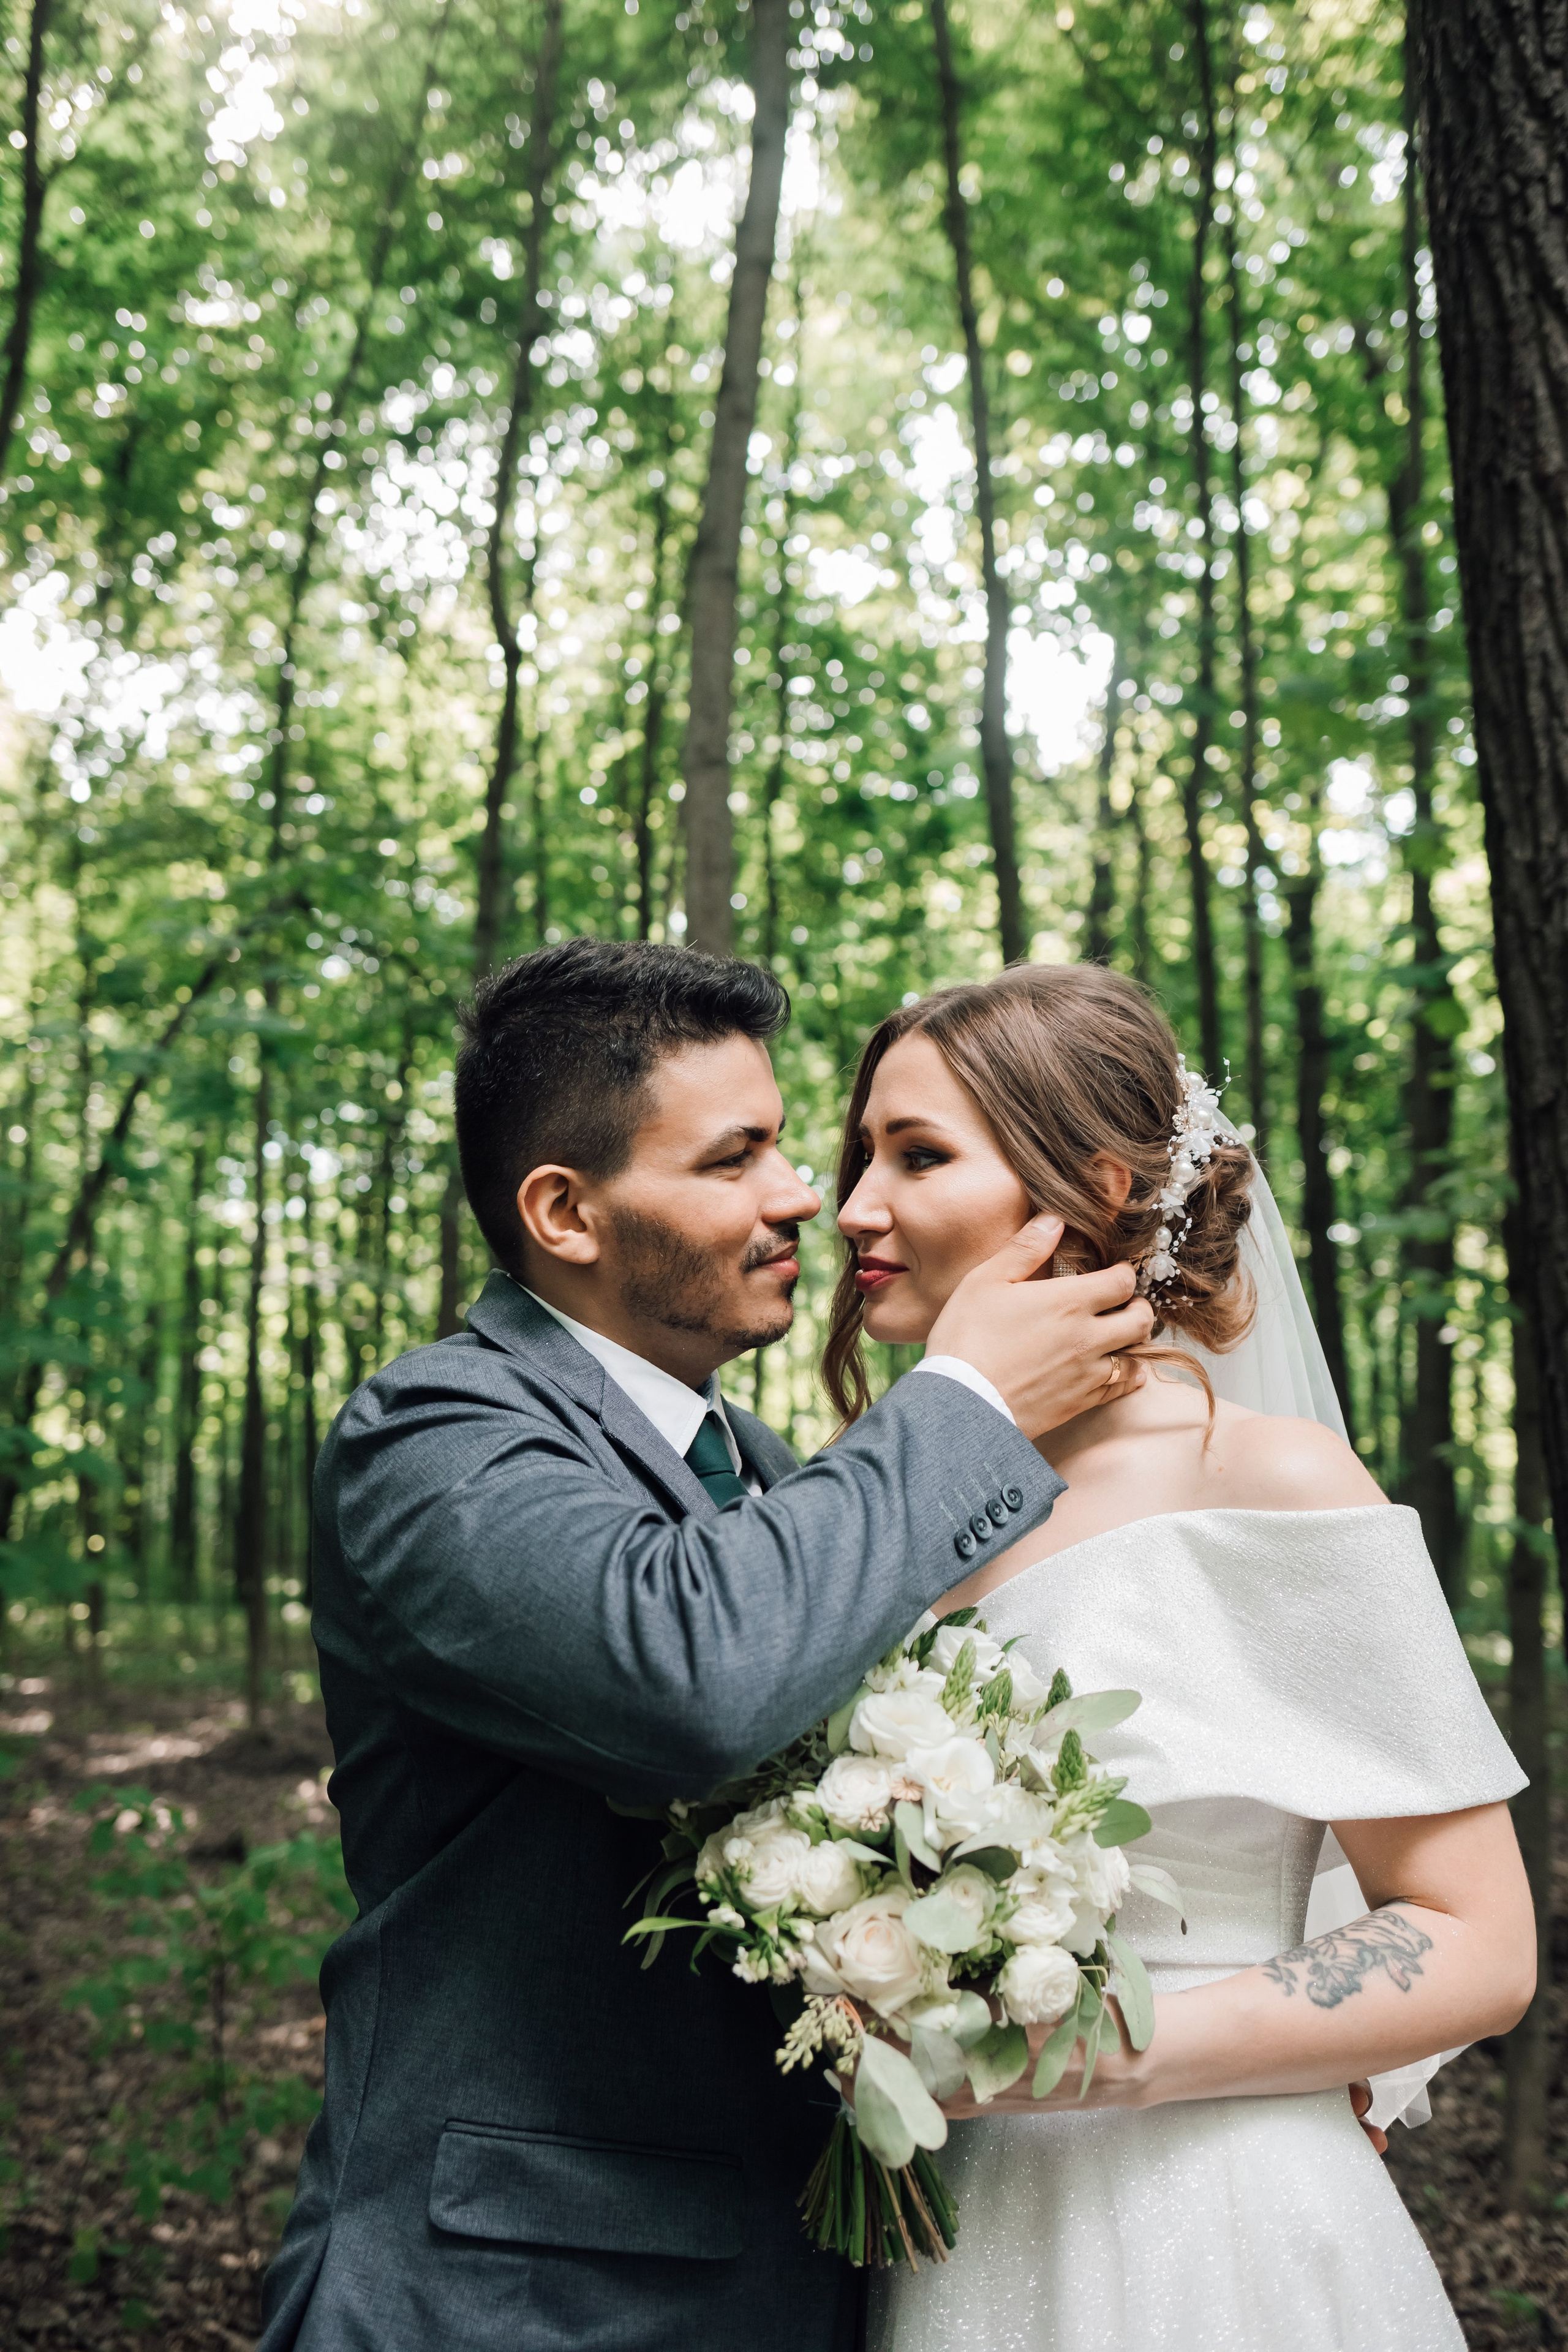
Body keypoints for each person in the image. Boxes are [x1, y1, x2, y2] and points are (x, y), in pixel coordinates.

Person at [257, 940, 1156, 2352]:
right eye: (734, 1158)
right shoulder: (430, 1441)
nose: (802, 1194)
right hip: (516, 2295)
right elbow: (688, 1677)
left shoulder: (767, 1468)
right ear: (565, 1211)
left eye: (785, 1147)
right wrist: (968, 1398)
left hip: (787, 2280)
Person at [830, 964, 1535, 2352]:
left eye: (914, 1155)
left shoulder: (1272, 1483)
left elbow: (1477, 1943)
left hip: (1211, 2230)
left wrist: (1085, 2058)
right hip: (940, 2235)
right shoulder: (870, 1510)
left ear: (1091, 1187)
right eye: (860, 1154)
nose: (853, 1205)